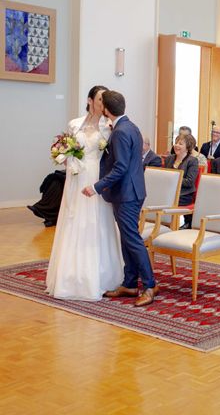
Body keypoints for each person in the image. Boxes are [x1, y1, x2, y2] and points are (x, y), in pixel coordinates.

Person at [82, 90, 158, 307]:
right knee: (127, 238)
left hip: (127, 194)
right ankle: (130, 283)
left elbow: (121, 167)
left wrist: (96, 187)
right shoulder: (129, 126)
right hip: (130, 192)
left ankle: (150, 286)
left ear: (106, 109)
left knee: (133, 240)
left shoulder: (121, 132)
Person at [47, 86, 124, 301]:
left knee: (96, 222)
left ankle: (99, 276)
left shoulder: (109, 127)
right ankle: (70, 275)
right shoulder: (74, 124)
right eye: (100, 99)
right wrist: (67, 159)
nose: (103, 103)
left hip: (97, 179)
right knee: (73, 221)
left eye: (105, 100)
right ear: (90, 100)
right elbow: (62, 148)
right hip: (76, 176)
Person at [164, 134, 200, 229]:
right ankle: (160, 224)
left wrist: (173, 179)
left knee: (165, 200)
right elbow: (163, 177)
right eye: (176, 143)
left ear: (188, 147)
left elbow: (189, 181)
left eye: (180, 144)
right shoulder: (169, 159)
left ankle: (169, 224)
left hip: (184, 195)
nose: (176, 145)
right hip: (168, 192)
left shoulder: (192, 161)